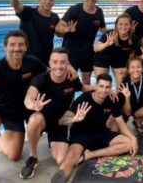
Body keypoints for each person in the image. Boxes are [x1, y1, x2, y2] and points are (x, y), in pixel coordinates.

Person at [0, 30, 47, 183]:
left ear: (26, 47)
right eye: (12, 44)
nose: (16, 48)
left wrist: (66, 67)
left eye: (20, 44)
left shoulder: (32, 62)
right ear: (4, 47)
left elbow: (49, 72)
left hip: (15, 114)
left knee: (14, 155)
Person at [51, 74, 138, 183]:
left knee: (129, 144)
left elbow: (121, 123)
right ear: (95, 86)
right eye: (101, 86)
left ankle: (89, 155)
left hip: (101, 133)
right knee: (70, 158)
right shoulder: (83, 99)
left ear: (110, 88)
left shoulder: (111, 99)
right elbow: (62, 120)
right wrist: (74, 118)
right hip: (81, 136)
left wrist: (133, 138)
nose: (104, 90)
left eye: (107, 87)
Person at [20, 47, 91, 179]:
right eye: (55, 62)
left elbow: (82, 88)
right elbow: (28, 98)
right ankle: (33, 156)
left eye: (62, 62)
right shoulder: (40, 79)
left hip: (59, 123)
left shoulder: (71, 79)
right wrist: (32, 104)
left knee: (60, 159)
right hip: (42, 119)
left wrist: (99, 89)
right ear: (50, 63)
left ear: (67, 63)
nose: (59, 66)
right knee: (34, 119)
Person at [55, 0, 106, 85]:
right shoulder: (74, 10)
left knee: (86, 82)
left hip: (87, 53)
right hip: (71, 53)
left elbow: (103, 29)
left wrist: (116, 35)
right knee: (68, 82)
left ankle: (85, 101)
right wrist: (66, 29)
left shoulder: (99, 12)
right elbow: (57, 29)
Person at [10, 0, 60, 65]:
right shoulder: (28, 12)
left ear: (53, 1)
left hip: (46, 59)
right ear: (39, 0)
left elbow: (59, 33)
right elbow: (16, 6)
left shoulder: (54, 17)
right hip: (26, 58)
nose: (48, 1)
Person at [94, 13, 135, 89]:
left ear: (130, 26)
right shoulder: (110, 33)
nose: (123, 27)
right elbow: (96, 48)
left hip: (119, 60)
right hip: (102, 59)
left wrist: (128, 67)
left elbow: (134, 56)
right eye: (120, 24)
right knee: (102, 85)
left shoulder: (134, 38)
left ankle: (117, 100)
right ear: (116, 25)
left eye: (126, 24)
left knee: (121, 86)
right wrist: (106, 44)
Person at [118, 57, 143, 133]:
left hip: (141, 108)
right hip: (127, 110)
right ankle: (130, 120)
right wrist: (127, 97)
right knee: (114, 129)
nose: (136, 70)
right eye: (132, 67)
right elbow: (127, 112)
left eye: (138, 67)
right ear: (128, 70)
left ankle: (137, 120)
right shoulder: (124, 84)